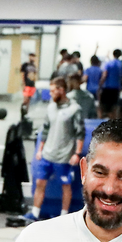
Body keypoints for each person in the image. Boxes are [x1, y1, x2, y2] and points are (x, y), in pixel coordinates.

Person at [23, 76, 84, 222]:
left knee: (66, 186)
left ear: (61, 90)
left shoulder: (74, 109)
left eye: (52, 91)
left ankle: (63, 216)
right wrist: (40, 150)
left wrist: (76, 153)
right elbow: (45, 130)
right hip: (47, 154)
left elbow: (80, 133)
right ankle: (35, 213)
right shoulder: (50, 107)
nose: (50, 94)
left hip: (64, 156)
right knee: (39, 183)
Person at [99, 50, 122, 118]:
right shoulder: (121, 64)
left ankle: (101, 120)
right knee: (114, 106)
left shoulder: (108, 63)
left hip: (107, 87)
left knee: (103, 105)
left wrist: (100, 84)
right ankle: (112, 121)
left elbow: (105, 75)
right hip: (116, 88)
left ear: (113, 54)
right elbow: (121, 77)